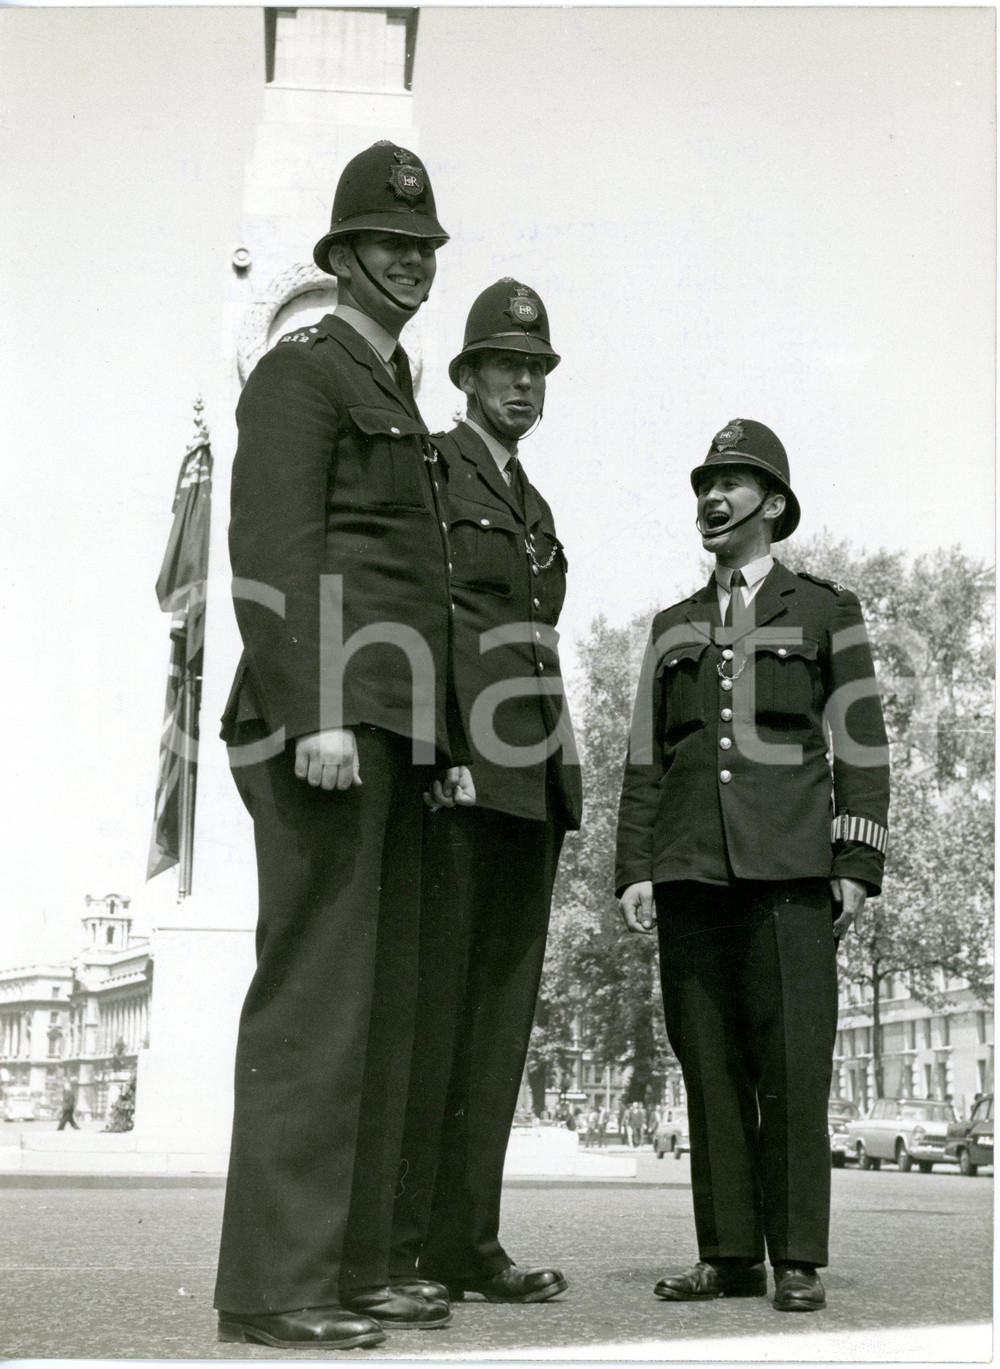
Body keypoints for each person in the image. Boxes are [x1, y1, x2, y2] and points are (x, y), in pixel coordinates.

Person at [214, 142, 471, 1351]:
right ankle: (275, 1285)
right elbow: (272, 555)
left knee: (385, 1011)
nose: (411, 263)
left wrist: (449, 736)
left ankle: (355, 1265)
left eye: (424, 248)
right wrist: (313, 708)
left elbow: (423, 589)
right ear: (341, 255)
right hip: (322, 729)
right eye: (389, 244)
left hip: (398, 737)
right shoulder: (302, 376)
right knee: (318, 1008)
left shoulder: (401, 393)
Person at [615, 419, 890, 1313]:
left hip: (792, 871)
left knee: (793, 1063)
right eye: (704, 483)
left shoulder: (824, 610)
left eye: (731, 483)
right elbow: (645, 759)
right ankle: (729, 1253)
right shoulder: (671, 626)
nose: (712, 497)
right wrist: (635, 870)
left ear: (772, 504)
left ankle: (797, 1256)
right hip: (691, 869)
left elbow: (861, 742)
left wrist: (854, 859)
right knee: (711, 1067)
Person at [389, 280, 581, 1306]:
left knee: (500, 1025)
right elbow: (426, 618)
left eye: (536, 368)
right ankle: (407, 1242)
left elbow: (536, 649)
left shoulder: (533, 502)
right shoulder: (434, 467)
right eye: (505, 364)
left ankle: (469, 1240)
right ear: (464, 375)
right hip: (463, 779)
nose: (522, 382)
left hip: (530, 789)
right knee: (437, 1014)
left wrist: (564, 786)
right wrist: (441, 747)